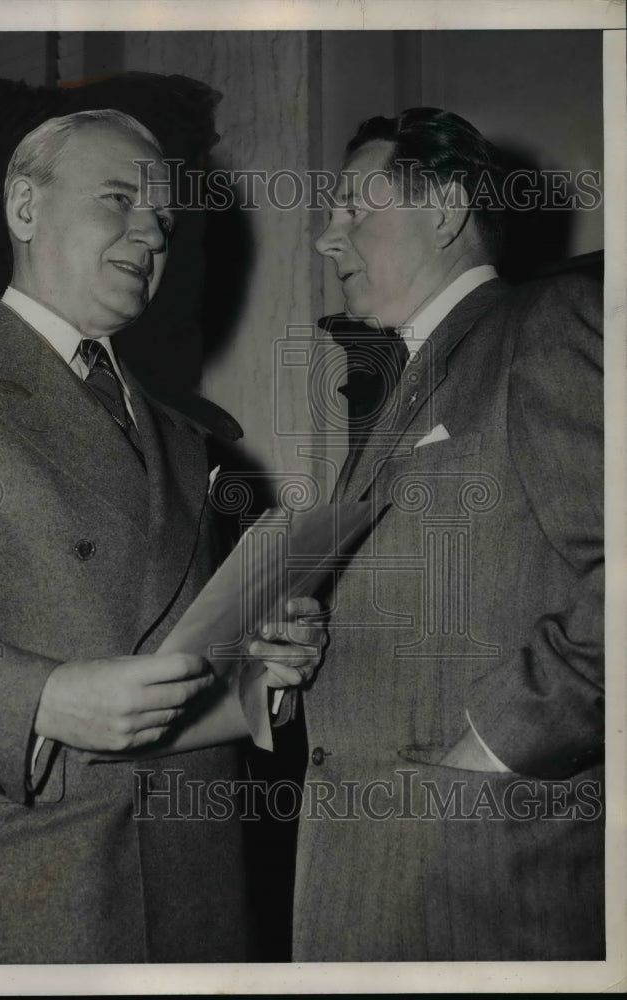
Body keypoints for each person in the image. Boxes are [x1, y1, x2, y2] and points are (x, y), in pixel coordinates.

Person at [0, 108, 323, 964]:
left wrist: (261, 669)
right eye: (118, 198)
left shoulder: (188, 436)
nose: (148, 232)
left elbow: (170, 664)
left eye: (162, 217)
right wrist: (42, 700)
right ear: (24, 206)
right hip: (13, 883)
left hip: (195, 886)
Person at [291, 107, 604, 960]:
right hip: (379, 885)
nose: (328, 237)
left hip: (486, 881)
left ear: (445, 210)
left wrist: (498, 744)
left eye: (356, 207)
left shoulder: (545, 326)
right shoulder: (409, 381)